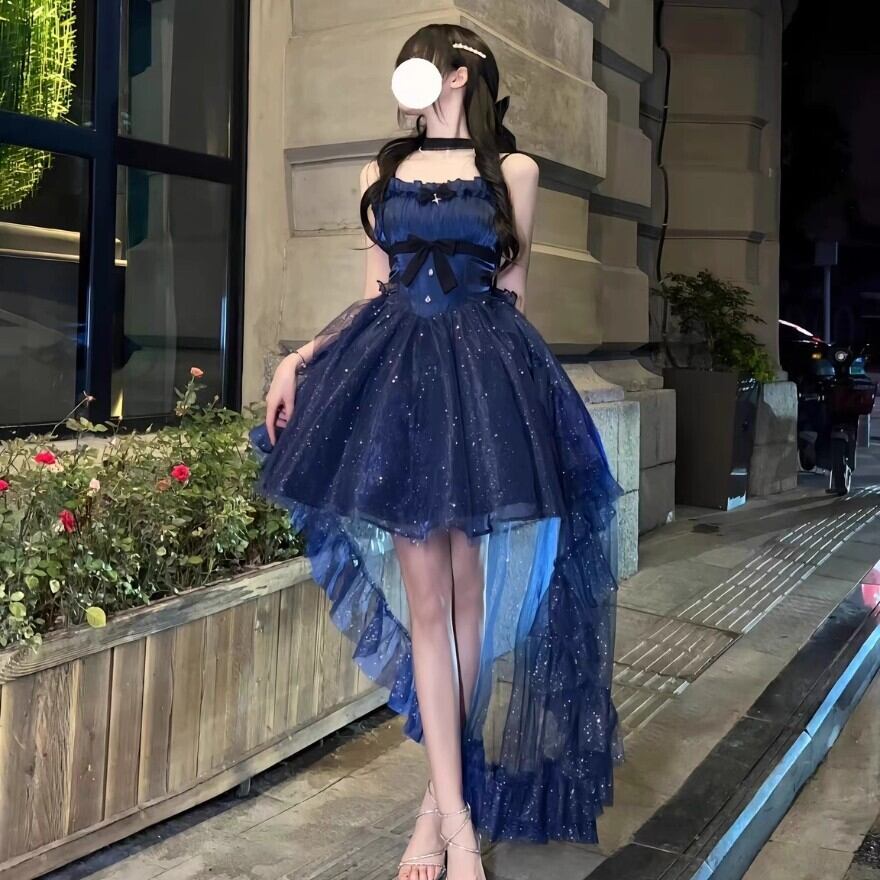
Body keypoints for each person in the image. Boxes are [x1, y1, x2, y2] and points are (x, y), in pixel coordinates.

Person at [249, 23, 623, 880]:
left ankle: (434, 805)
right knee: (429, 603)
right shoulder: (379, 176)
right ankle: (456, 821)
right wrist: (299, 358)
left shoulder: (513, 173)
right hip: (402, 393)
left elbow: (514, 300)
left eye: (421, 62)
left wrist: (524, 415)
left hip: (484, 389)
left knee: (466, 600)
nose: (405, 77)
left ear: (457, 76)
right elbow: (372, 297)